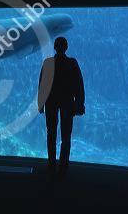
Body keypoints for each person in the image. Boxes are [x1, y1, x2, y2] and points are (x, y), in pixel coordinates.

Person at [38, 37, 85, 176]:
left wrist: (40, 104)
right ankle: (63, 166)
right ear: (66, 47)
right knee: (66, 135)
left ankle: (51, 164)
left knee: (51, 133)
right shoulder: (72, 63)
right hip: (67, 102)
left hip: (51, 102)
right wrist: (80, 103)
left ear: (54, 47)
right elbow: (79, 85)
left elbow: (42, 86)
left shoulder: (48, 63)